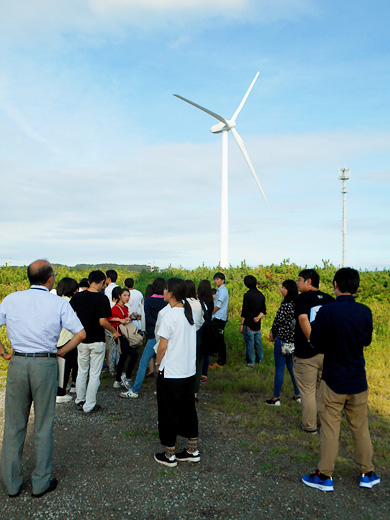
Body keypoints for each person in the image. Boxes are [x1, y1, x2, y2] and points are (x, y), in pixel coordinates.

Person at [0, 260, 86, 498]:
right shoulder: (58, 302)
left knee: (14, 425)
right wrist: (61, 351)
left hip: (18, 362)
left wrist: (4, 352)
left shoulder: (11, 299)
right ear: (50, 280)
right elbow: (81, 333)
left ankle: (12, 483)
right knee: (43, 424)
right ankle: (40, 482)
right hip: (45, 363)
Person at [302, 268, 380, 492]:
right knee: (360, 428)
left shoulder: (327, 311)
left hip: (333, 380)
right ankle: (367, 472)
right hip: (358, 379)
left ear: (335, 284)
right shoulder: (365, 311)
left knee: (329, 429)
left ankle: (325, 476)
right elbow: (366, 341)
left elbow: (314, 340)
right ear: (356, 286)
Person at [154, 278, 199, 467]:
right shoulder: (188, 314)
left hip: (171, 372)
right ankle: (192, 449)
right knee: (188, 409)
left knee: (168, 411)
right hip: (188, 371)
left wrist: (157, 365)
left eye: (165, 289)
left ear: (171, 293)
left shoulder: (170, 316)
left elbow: (162, 347)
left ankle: (170, 453)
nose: (163, 292)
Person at [70, 270, 119, 414]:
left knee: (82, 371)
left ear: (90, 281)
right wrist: (114, 331)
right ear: (102, 282)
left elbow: (70, 315)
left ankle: (80, 399)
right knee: (94, 374)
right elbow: (103, 321)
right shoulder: (102, 299)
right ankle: (90, 405)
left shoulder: (78, 297)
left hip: (81, 339)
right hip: (97, 340)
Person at [293, 269, 334, 434]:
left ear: (308, 281)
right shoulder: (330, 299)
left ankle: (309, 426)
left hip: (306, 353)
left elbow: (303, 318)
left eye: (300, 280)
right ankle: (326, 424)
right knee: (323, 392)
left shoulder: (302, 298)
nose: (297, 283)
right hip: (327, 353)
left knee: (308, 391)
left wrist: (312, 340)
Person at [121, 277, 167, 399]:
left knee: (143, 363)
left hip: (152, 335)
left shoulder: (148, 301)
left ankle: (135, 390)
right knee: (165, 364)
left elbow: (148, 320)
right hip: (166, 336)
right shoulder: (168, 302)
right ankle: (162, 390)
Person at [265, 279, 300, 406]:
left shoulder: (285, 306)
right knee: (291, 367)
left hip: (282, 340)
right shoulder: (297, 304)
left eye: (284, 288)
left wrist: (272, 333)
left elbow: (277, 322)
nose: (282, 290)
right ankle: (298, 394)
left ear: (289, 290)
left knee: (279, 368)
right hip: (293, 341)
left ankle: (276, 398)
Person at [56, 277, 80, 403]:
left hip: (54, 339)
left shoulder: (56, 300)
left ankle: (58, 389)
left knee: (57, 367)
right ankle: (60, 392)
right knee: (65, 367)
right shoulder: (69, 303)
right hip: (67, 339)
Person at [109, 288, 139, 390]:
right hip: (120, 336)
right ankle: (127, 376)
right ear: (119, 296)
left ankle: (117, 380)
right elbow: (108, 318)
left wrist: (127, 319)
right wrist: (120, 320)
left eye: (128, 295)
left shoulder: (126, 308)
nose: (127, 298)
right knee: (134, 354)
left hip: (125, 336)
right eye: (125, 295)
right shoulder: (115, 308)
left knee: (123, 357)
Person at [239, 275, 266, 367]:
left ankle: (251, 363)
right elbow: (264, 310)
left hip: (249, 324)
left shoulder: (247, 295)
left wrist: (242, 324)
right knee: (258, 344)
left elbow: (244, 311)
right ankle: (260, 361)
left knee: (250, 345)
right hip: (257, 324)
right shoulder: (261, 295)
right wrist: (258, 317)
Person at [195, 280, 214, 395]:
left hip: (201, 328)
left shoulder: (200, 301)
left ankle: (199, 374)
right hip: (209, 327)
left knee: (200, 352)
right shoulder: (211, 299)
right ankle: (204, 374)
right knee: (205, 352)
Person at [209, 272, 229, 368]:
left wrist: (210, 313)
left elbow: (218, 306)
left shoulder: (222, 291)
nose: (215, 281)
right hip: (217, 317)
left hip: (219, 318)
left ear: (223, 280)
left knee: (220, 341)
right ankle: (220, 361)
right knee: (218, 340)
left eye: (218, 279)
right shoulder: (219, 290)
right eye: (215, 279)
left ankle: (221, 362)